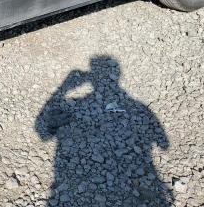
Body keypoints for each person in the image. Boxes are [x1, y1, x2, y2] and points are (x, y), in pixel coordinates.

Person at [36, 56, 173, 206]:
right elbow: (164, 144)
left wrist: (63, 88)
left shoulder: (81, 102)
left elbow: (43, 133)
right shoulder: (138, 106)